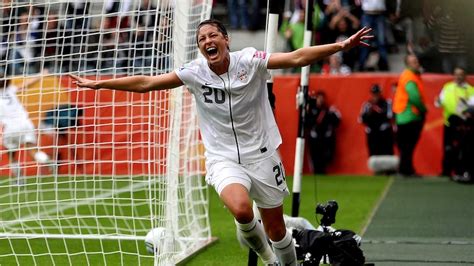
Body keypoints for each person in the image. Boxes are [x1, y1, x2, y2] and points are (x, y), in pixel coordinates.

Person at [69, 19, 372, 265]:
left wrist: (340, 45)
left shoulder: (251, 60)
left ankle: (288, 263)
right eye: (201, 39)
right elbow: (148, 83)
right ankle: (270, 262)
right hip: (222, 158)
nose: (207, 41)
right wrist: (101, 82)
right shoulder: (194, 72)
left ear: (226, 40)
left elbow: (295, 57)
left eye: (212, 35)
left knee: (277, 229)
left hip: (263, 155)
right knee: (241, 209)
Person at [0, 72, 52, 183]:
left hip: (10, 127)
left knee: (11, 154)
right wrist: (40, 75)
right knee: (33, 150)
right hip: (25, 123)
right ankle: (47, 159)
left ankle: (19, 180)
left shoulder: (9, 89)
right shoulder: (10, 90)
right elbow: (26, 84)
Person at [435, 67, 474, 177]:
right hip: (449, 123)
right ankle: (446, 171)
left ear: (465, 76)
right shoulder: (447, 87)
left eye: (460, 74)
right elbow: (439, 103)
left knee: (464, 148)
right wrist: (437, 101)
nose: (458, 77)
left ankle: (461, 171)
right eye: (456, 74)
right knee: (448, 148)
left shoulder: (471, 90)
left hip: (465, 126)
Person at [392, 54, 427, 177]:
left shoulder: (408, 76)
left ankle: (405, 169)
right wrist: (423, 109)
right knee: (408, 146)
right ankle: (406, 170)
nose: (416, 63)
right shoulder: (410, 77)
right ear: (408, 64)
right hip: (410, 115)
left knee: (405, 146)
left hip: (403, 115)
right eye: (413, 62)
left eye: (416, 61)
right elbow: (414, 97)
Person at [305, 91, 341, 174]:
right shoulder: (311, 110)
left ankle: (322, 172)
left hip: (325, 138)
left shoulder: (328, 110)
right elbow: (306, 123)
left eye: (322, 98)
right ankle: (316, 172)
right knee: (315, 158)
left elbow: (337, 121)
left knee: (325, 158)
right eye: (319, 98)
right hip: (315, 138)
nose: (320, 100)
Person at [359, 84, 394, 156]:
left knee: (386, 154)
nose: (375, 96)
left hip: (384, 133)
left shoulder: (387, 103)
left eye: (377, 94)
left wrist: (378, 111)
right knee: (373, 154)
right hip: (372, 134)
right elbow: (361, 120)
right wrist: (370, 113)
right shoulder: (367, 105)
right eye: (374, 94)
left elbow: (390, 116)